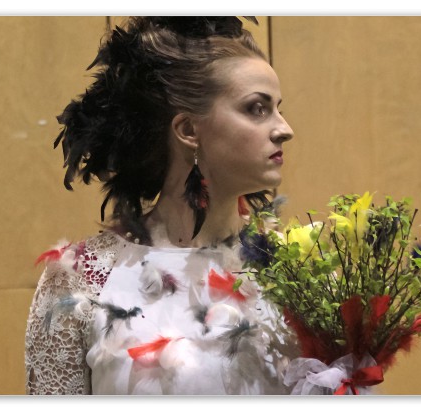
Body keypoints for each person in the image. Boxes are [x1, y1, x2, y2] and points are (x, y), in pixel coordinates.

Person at [24, 16, 297, 395]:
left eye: (278, 108)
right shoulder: (80, 280)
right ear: (188, 130)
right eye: (257, 108)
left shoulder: (300, 270)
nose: (285, 128)